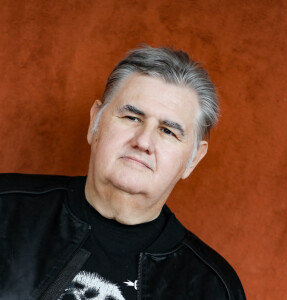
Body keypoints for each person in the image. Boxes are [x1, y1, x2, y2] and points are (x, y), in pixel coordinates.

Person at [0, 45, 246, 299]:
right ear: (95, 121)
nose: (143, 142)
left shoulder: (212, 288)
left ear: (193, 160)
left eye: (167, 131)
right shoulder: (5, 208)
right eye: (131, 117)